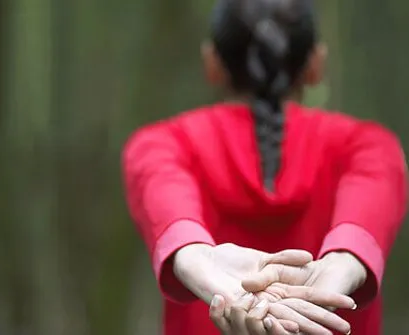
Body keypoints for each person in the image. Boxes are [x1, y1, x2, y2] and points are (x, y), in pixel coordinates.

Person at [122, 0, 407, 333]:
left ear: (212, 64)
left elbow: (167, 201)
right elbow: (365, 219)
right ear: (315, 65)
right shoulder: (370, 147)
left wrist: (195, 257)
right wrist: (340, 267)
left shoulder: (162, 145)